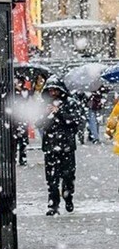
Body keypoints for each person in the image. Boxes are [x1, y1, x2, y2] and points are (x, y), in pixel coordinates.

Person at [37, 76, 86, 216]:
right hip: (50, 146)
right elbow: (39, 124)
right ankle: (53, 204)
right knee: (51, 178)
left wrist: (59, 113)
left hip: (67, 146)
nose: (52, 93)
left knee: (68, 176)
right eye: (50, 90)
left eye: (55, 90)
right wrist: (46, 115)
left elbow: (75, 121)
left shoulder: (70, 103)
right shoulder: (44, 105)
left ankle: (68, 197)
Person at [13, 77, 30, 166]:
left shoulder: (25, 91)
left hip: (23, 118)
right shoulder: (11, 92)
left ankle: (23, 158)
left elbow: (26, 100)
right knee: (14, 140)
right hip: (14, 119)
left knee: (23, 140)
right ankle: (14, 158)